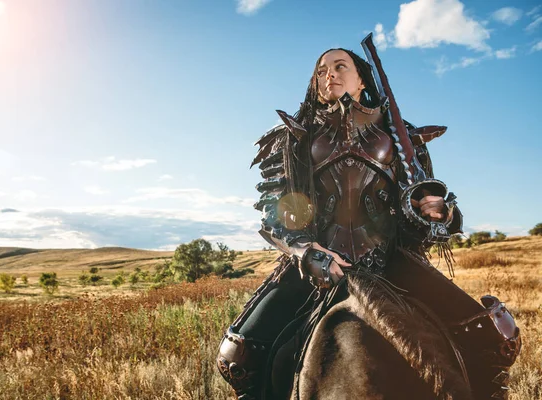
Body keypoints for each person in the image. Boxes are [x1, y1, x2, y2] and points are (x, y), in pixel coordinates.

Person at [217, 46, 521, 400]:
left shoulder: (402, 137)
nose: (327, 74)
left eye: (338, 66)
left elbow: (421, 215)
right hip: (315, 266)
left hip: (391, 262)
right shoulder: (293, 137)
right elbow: (276, 211)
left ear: (362, 79)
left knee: (496, 337)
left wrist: (438, 212)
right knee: (237, 355)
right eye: (320, 70)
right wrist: (306, 251)